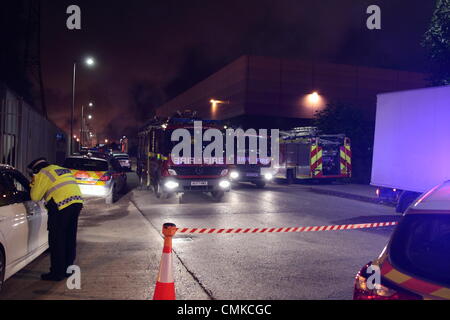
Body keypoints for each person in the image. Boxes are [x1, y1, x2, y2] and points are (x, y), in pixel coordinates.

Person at [27, 157, 83, 281]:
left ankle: (57, 273)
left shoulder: (43, 173)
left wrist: (34, 181)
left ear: (36, 169)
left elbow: (35, 197)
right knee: (69, 237)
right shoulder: (62, 170)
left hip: (61, 205)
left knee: (57, 239)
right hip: (76, 203)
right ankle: (68, 269)